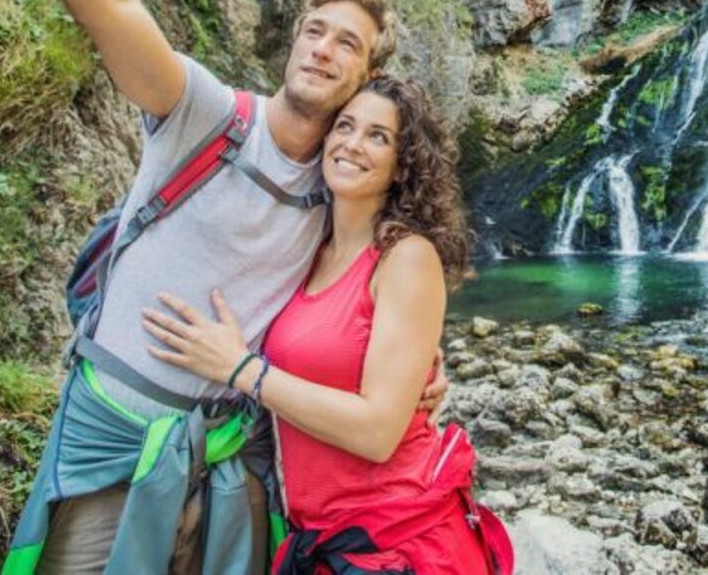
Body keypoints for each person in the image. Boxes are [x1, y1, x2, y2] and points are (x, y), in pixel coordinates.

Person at [0, 0, 445, 574]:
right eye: (316, 30)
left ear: (368, 78)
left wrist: (424, 359)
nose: (324, 49)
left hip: (232, 457)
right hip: (108, 437)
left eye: (349, 44)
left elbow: (372, 297)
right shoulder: (204, 113)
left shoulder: (343, 192)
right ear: (291, 41)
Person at [141, 76, 505, 574]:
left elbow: (378, 432)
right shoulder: (308, 250)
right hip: (319, 536)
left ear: (404, 165)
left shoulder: (406, 257)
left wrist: (244, 370)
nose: (353, 144)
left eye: (378, 136)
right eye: (346, 127)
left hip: (396, 542)